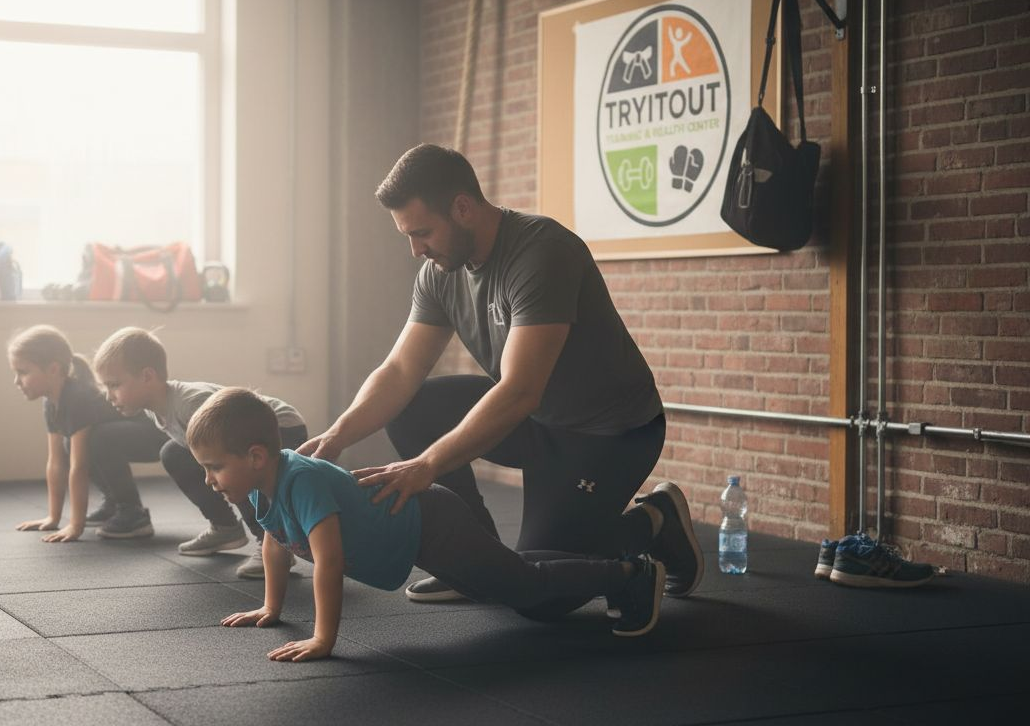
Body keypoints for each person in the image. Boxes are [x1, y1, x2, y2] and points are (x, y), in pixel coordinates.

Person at [298, 143, 702, 605]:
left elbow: (519, 391)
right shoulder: (440, 271)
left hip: (608, 435)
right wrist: (337, 435)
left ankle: (654, 523)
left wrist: (428, 465)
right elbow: (400, 369)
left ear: (463, 208)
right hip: (538, 423)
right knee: (413, 410)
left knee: (538, 587)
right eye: (408, 236)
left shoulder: (542, 252)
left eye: (423, 232)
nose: (415, 250)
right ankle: (473, 557)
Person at [196, 388, 667, 662]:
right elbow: (276, 545)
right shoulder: (262, 486)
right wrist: (271, 608)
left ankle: (629, 574)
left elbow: (329, 560)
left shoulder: (301, 481)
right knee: (509, 574)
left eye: (214, 467)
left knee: (523, 586)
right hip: (416, 538)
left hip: (432, 524)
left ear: (256, 456)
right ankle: (618, 564)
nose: (208, 479)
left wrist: (323, 638)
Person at [94, 326, 309, 579]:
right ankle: (225, 527)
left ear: (147, 376)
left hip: (281, 426)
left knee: (232, 471)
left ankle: (272, 544)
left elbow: (236, 457)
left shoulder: (190, 404)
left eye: (114, 385)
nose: (109, 396)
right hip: (242, 435)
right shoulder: (155, 408)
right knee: (174, 454)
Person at [8, 324, 168, 542]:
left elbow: (78, 467)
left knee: (96, 440)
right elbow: (56, 462)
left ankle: (133, 512)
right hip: (120, 438)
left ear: (53, 369)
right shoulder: (51, 402)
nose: (17, 381)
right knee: (71, 445)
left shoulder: (77, 398)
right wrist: (53, 518)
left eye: (23, 372)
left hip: (156, 435)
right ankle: (113, 504)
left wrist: (75, 525)